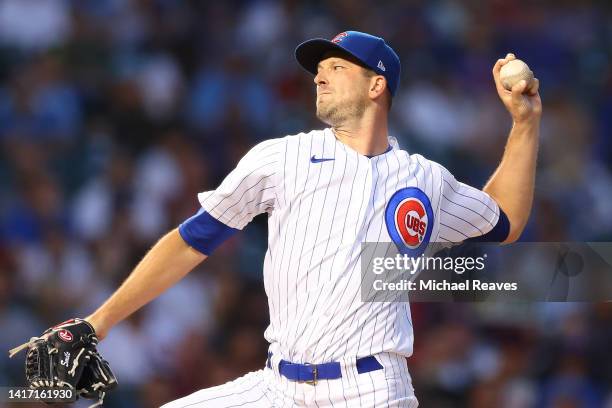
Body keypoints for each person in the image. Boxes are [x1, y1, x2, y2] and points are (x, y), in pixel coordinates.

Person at [84, 31, 541, 407]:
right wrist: (98, 322)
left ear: (376, 85)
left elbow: (505, 220)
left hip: (371, 390)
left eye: (336, 67)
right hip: (277, 386)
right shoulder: (282, 158)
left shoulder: (426, 179)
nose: (320, 76)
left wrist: (524, 125)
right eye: (318, 70)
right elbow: (192, 240)